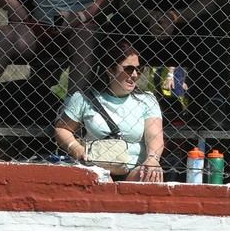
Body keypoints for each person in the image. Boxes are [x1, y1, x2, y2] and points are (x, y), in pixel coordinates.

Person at [53, 41, 164, 181]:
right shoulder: (84, 98)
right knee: (102, 180)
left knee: (150, 175)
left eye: (139, 69)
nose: (135, 74)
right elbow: (62, 129)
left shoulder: (147, 100)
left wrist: (153, 159)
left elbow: (155, 135)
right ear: (110, 70)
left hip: (135, 168)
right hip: (98, 166)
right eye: (128, 69)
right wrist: (75, 148)